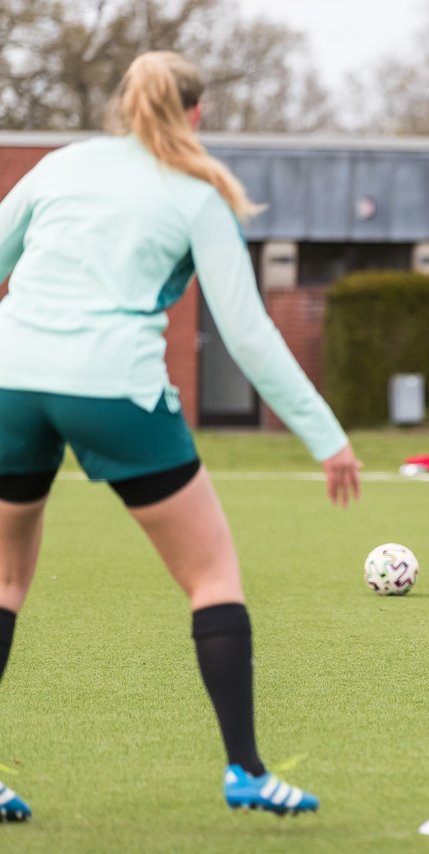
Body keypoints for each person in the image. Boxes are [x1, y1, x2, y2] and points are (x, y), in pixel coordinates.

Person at [0, 51, 361, 822]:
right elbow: (250, 336)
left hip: (12, 386)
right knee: (212, 577)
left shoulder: (58, 165)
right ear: (195, 114)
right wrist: (327, 436)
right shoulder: (200, 191)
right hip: (114, 390)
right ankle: (247, 773)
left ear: (124, 105)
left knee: (2, 584)